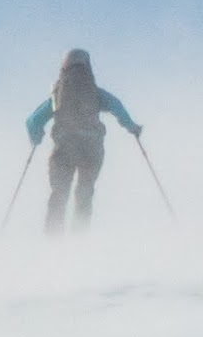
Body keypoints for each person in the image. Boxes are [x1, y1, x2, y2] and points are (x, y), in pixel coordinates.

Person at [24, 49, 141, 233]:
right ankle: (80, 238)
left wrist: (36, 137)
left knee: (59, 194)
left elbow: (32, 121)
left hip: (64, 148)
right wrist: (132, 127)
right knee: (84, 194)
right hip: (92, 148)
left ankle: (52, 238)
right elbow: (116, 106)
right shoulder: (95, 93)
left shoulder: (58, 95)